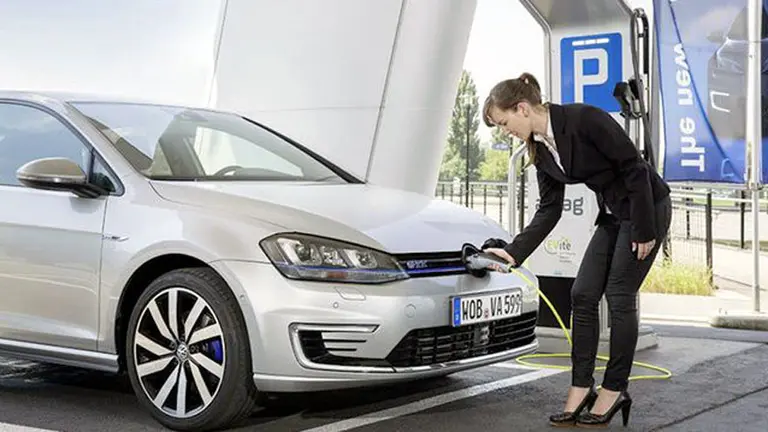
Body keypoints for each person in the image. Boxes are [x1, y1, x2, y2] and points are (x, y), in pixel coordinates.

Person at [480, 72, 671, 428]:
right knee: (582, 294)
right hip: (613, 214)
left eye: (505, 123)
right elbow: (549, 209)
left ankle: (615, 390)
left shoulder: (584, 118)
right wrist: (513, 252)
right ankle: (581, 387)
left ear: (522, 108)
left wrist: (645, 228)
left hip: (646, 207)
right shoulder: (540, 149)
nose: (507, 132)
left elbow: (634, 168)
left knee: (618, 293)